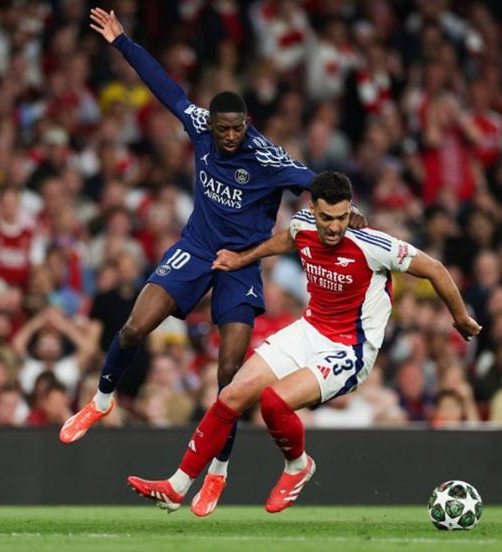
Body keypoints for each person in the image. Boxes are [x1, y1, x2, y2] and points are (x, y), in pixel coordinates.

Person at [61, 8, 365, 515]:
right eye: (223, 129)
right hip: (196, 247)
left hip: (241, 263)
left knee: (230, 372)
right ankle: (101, 400)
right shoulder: (201, 126)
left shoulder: (265, 158)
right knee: (134, 327)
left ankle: (218, 473)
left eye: (236, 129)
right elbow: (165, 88)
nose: (228, 137)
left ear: (247, 124)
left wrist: (349, 211)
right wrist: (122, 41)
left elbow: (313, 183)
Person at [125, 172, 480, 514]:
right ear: (313, 209)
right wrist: (242, 258)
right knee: (231, 395)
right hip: (309, 329)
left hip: (349, 348)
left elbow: (434, 267)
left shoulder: (375, 245)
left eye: (342, 218)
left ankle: (297, 465)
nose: (334, 227)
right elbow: (289, 238)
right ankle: (177, 486)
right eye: (326, 217)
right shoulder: (303, 224)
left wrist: (459, 316)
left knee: (273, 403)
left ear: (350, 211)